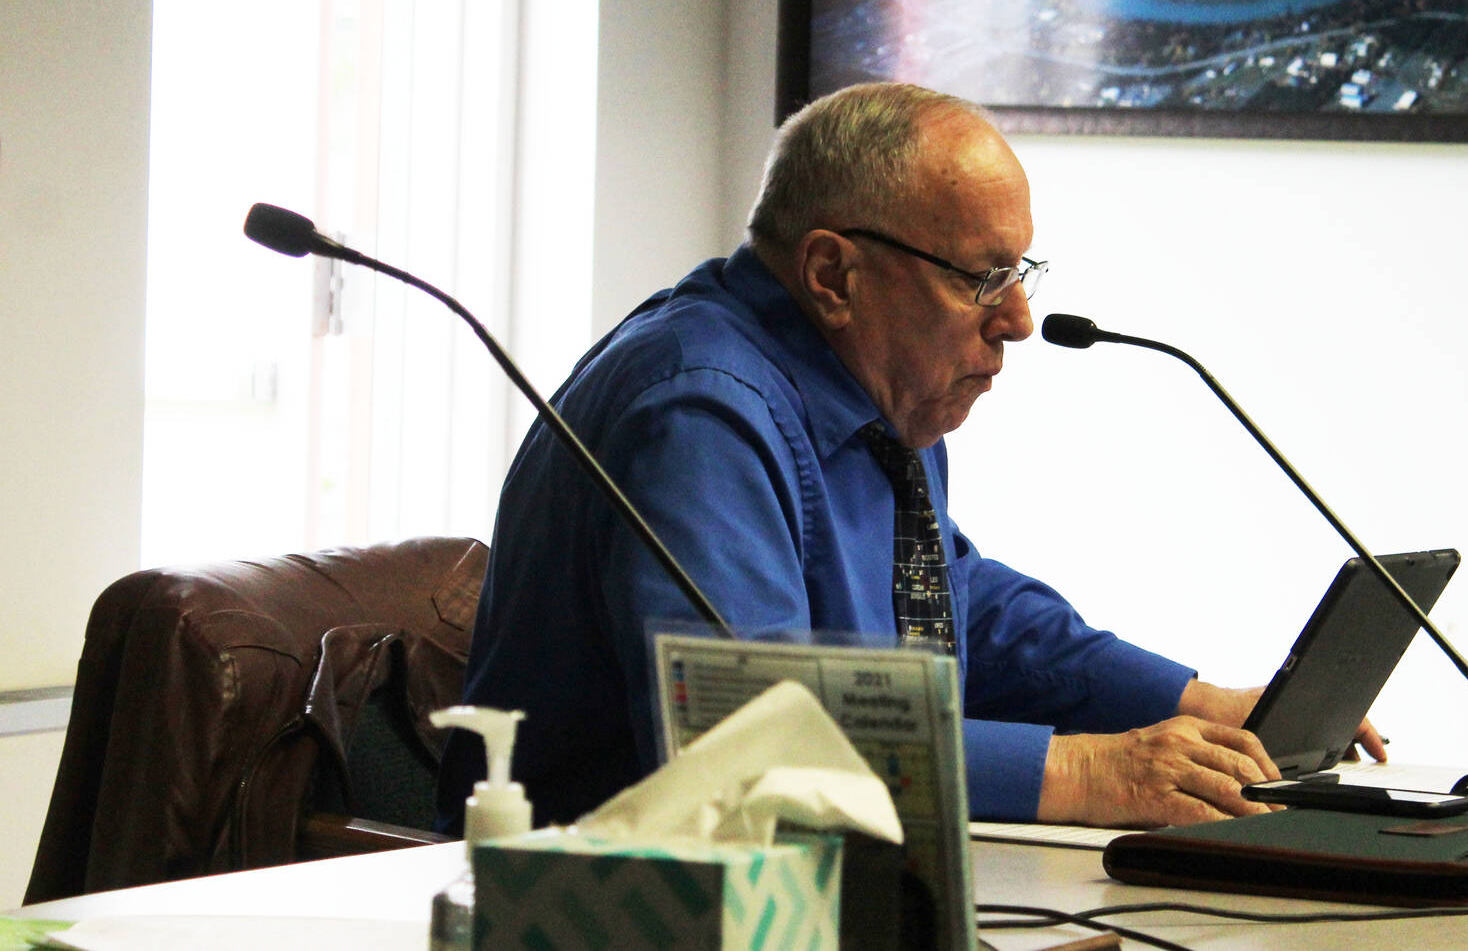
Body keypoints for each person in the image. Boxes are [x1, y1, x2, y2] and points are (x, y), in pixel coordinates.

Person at [439, 82, 1382, 831]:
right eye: (982, 277)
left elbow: (956, 603)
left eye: (1019, 273)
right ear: (831, 274)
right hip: (609, 913)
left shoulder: (872, 393)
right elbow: (747, 733)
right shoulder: (697, 412)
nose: (1016, 319)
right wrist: (1083, 768)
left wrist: (1202, 704)